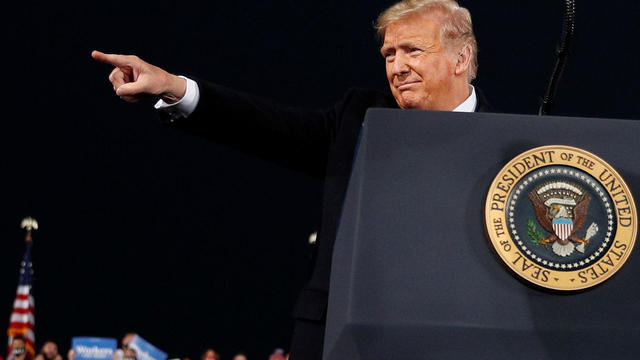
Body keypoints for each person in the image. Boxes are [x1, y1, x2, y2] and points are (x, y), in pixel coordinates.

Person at [92, 1, 490, 359]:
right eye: (389, 53)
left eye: (412, 50)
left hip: (454, 341)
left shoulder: (510, 147)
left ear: (461, 58)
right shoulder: (358, 118)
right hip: (339, 340)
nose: (397, 66)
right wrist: (173, 87)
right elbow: (268, 125)